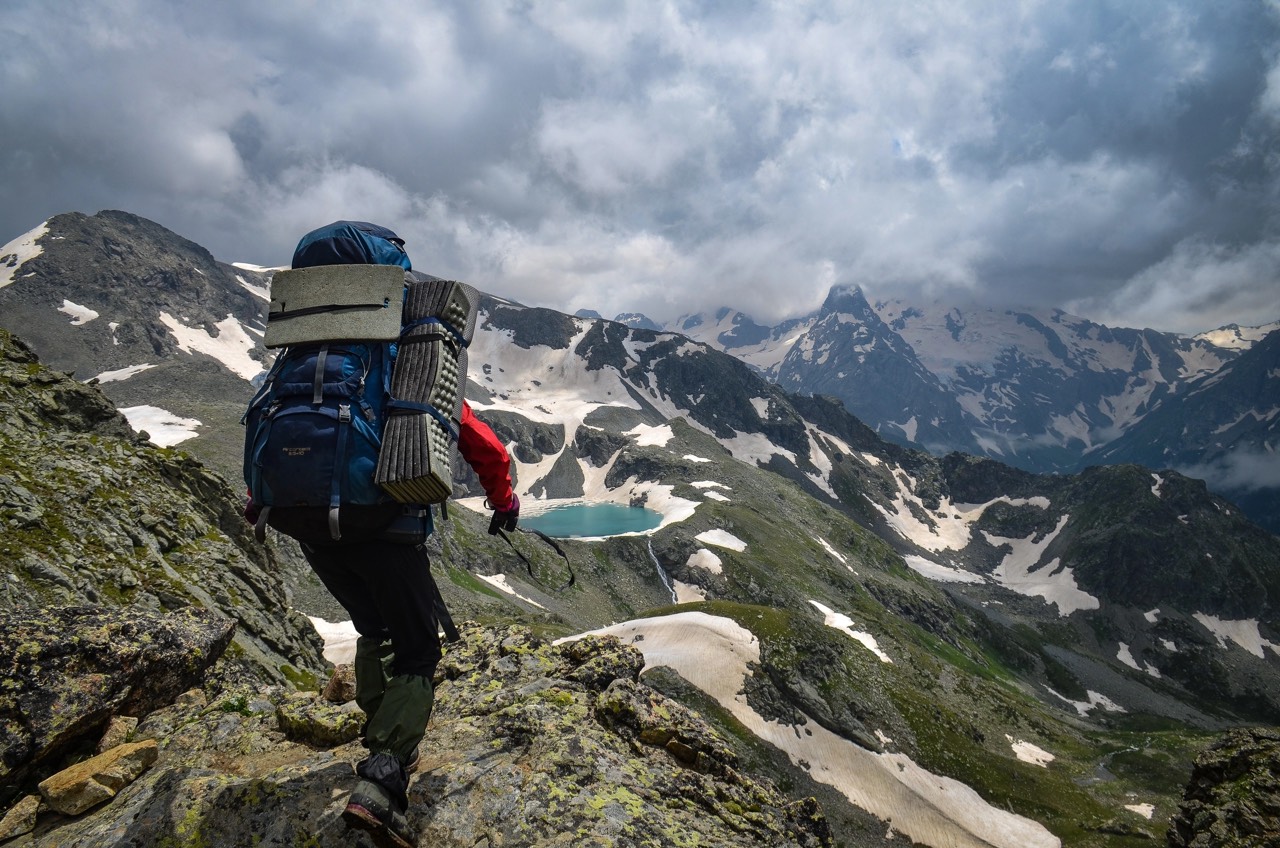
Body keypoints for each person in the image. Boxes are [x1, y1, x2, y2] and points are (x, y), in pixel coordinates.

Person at [248, 221, 520, 848]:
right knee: (420, 649)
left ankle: (380, 744)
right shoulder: (402, 353)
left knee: (375, 630)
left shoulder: (299, 354)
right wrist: (502, 503)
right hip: (383, 525)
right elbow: (481, 445)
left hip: (309, 524)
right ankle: (384, 777)